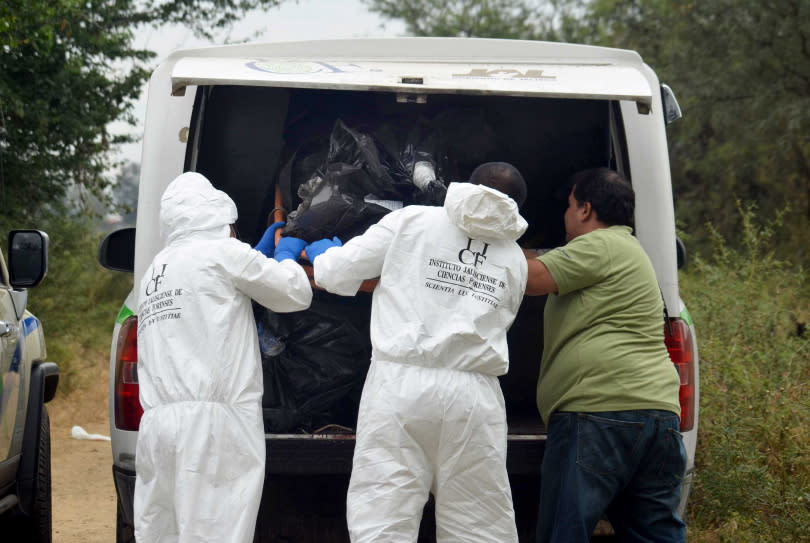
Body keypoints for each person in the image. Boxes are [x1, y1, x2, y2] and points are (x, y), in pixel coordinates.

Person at [299, 162, 529, 542]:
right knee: (480, 524)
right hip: (475, 398)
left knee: (384, 516)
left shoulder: (412, 221)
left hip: (400, 387)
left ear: (464, 187)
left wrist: (323, 252)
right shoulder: (515, 258)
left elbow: (337, 274)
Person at [134, 171, 313, 543]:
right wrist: (285, 256)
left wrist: (250, 259)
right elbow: (294, 294)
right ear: (217, 217)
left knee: (161, 533)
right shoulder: (223, 253)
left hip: (157, 430)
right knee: (215, 532)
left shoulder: (157, 270)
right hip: (213, 428)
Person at [523, 168, 686, 543]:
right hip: (656, 415)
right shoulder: (627, 249)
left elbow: (530, 279)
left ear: (584, 209)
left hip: (599, 417)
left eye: (568, 206)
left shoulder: (600, 246)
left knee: (564, 533)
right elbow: (541, 262)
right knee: (654, 534)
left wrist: (486, 241)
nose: (565, 215)